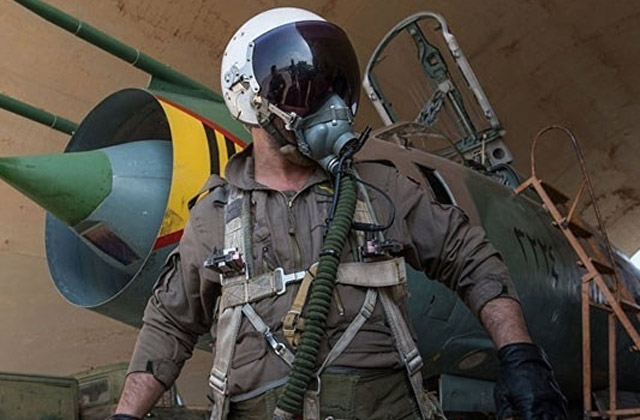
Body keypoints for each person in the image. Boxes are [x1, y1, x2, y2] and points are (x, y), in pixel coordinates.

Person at [109, 7, 567, 420]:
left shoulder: (380, 188)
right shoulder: (214, 216)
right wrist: (126, 416)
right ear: (249, 99)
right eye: (304, 88)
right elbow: (169, 324)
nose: (328, 104)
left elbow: (469, 256)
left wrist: (520, 356)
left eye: (333, 85)